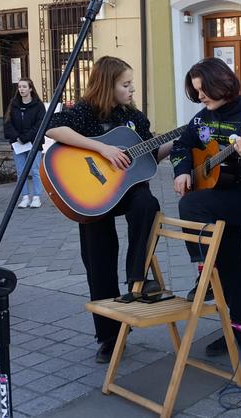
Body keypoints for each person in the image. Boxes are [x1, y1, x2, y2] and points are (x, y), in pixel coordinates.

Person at [46, 56, 171, 363]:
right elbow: (51, 128)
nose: (131, 90)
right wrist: (102, 148)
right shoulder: (84, 112)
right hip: (92, 195)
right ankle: (109, 337)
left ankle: (136, 278)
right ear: (107, 84)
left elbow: (151, 153)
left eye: (132, 84)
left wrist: (179, 143)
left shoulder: (134, 116)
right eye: (126, 85)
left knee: (148, 204)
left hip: (128, 191)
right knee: (99, 260)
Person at [171, 57, 241, 357]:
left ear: (222, 84)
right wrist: (182, 170)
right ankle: (240, 331)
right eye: (196, 91)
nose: (200, 96)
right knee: (232, 256)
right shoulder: (202, 118)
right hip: (219, 194)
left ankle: (205, 271)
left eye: (203, 90)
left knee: (191, 205)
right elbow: (181, 146)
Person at [4, 78, 46, 208]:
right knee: (21, 172)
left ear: (30, 89)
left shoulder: (38, 105)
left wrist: (26, 137)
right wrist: (17, 137)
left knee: (34, 171)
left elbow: (40, 124)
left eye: (24, 87)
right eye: (19, 87)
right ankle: (25, 197)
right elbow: (8, 123)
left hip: (33, 143)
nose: (21, 89)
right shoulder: (13, 103)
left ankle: (37, 197)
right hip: (18, 144)